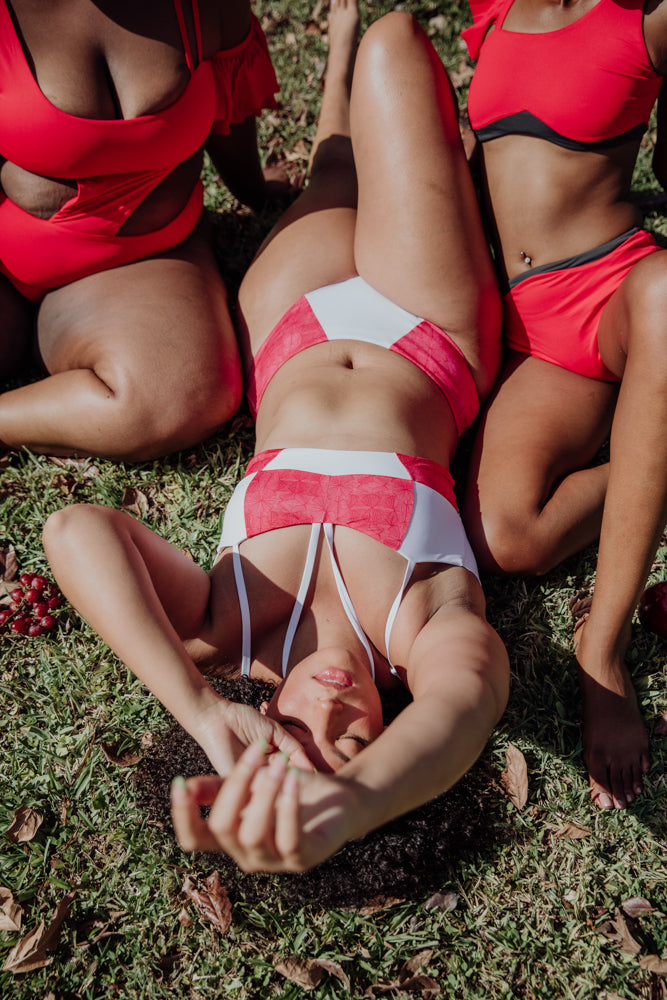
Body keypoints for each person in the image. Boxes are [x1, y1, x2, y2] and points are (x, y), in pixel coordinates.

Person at [43, 0, 509, 874]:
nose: (331, 708)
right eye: (354, 742)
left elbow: (75, 532)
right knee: (397, 43)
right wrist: (354, 808)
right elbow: (470, 703)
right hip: (425, 326)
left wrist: (199, 709)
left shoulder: (231, 631)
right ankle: (479, 156)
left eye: (296, 728)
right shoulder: (423, 632)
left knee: (335, 168)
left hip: (290, 327)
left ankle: (332, 60)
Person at [460, 0, 667, 812]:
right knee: (507, 538)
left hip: (612, 294)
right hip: (522, 325)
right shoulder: (495, 7)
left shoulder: (645, 18)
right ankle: (652, 455)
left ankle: (602, 651)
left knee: (664, 297)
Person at [0, 0, 285, 461]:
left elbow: (229, 117)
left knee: (182, 397)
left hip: (140, 263)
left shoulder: (207, 7)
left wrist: (256, 191)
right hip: (6, 261)